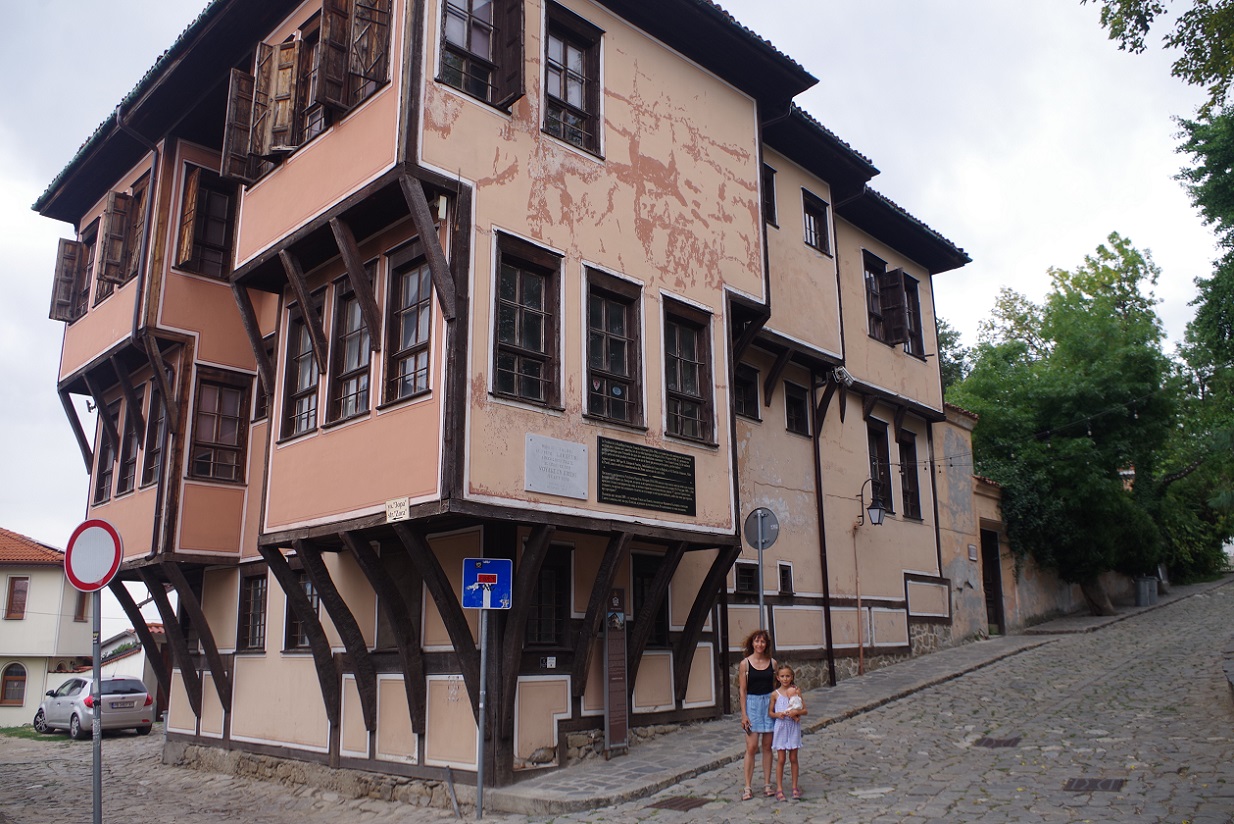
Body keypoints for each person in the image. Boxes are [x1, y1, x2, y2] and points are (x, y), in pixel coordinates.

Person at [738, 629, 777, 800]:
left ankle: (767, 784)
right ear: (752, 643)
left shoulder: (773, 663)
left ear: (766, 644)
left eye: (762, 641)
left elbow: (775, 688)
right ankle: (747, 787)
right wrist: (744, 714)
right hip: (752, 705)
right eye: (757, 641)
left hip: (768, 705)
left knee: (767, 746)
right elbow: (742, 690)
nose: (759, 644)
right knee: (752, 747)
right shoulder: (745, 664)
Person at [769, 663, 807, 800]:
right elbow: (770, 712)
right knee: (781, 759)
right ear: (778, 678)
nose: (785, 679)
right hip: (781, 727)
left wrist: (796, 712)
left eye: (788, 676)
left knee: (793, 758)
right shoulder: (775, 694)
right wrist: (777, 714)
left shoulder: (796, 691)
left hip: (793, 727)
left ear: (792, 677)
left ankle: (794, 786)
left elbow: (804, 710)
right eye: (782, 676)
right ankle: (779, 788)